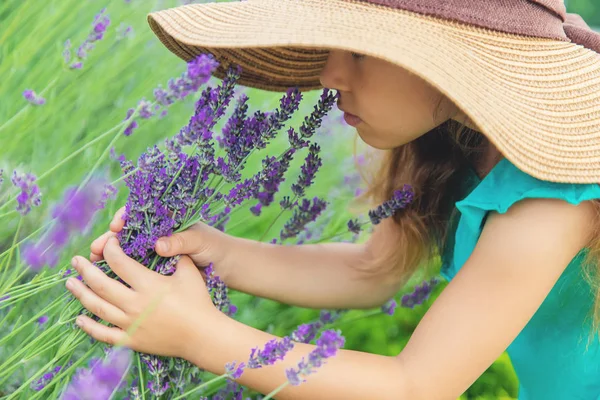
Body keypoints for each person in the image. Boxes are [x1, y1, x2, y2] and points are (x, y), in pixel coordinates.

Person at [65, 0, 600, 398]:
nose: (328, 75)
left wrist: (200, 335)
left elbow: (414, 385)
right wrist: (219, 253)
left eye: (362, 52)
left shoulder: (550, 204)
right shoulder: (453, 147)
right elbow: (374, 269)